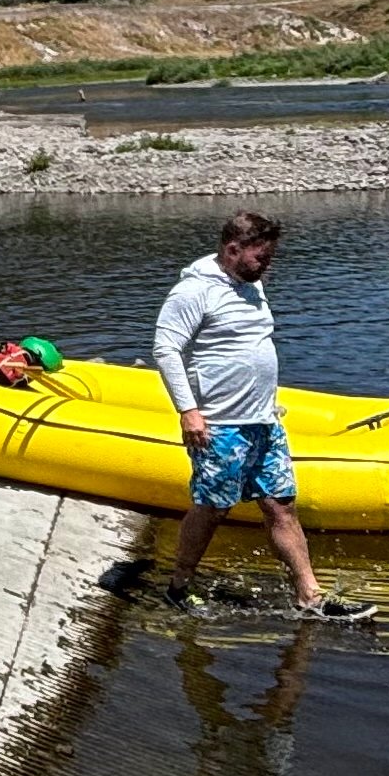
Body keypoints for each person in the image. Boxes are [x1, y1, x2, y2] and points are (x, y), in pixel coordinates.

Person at [150, 210, 371, 619]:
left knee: (281, 505)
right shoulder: (193, 291)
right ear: (233, 249)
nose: (268, 265)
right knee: (213, 507)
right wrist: (188, 411)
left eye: (270, 257)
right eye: (261, 257)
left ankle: (310, 595)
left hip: (264, 421)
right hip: (220, 424)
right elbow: (166, 349)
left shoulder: (251, 284)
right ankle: (179, 585)